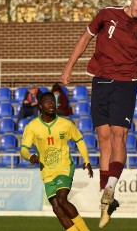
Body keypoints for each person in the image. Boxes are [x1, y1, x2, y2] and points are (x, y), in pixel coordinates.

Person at [61, 0, 137, 228]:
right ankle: (106, 199)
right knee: (103, 138)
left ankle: (110, 188)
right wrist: (68, 67)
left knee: (118, 135)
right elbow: (84, 39)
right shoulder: (107, 14)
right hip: (100, 80)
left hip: (126, 82)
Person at [20, 92, 93, 231]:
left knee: (61, 199)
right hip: (47, 172)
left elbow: (79, 140)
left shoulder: (65, 124)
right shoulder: (32, 126)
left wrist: (86, 160)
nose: (51, 104)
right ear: (40, 106)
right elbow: (23, 149)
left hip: (64, 167)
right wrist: (30, 156)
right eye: (47, 102)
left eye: (53, 101)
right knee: (56, 207)